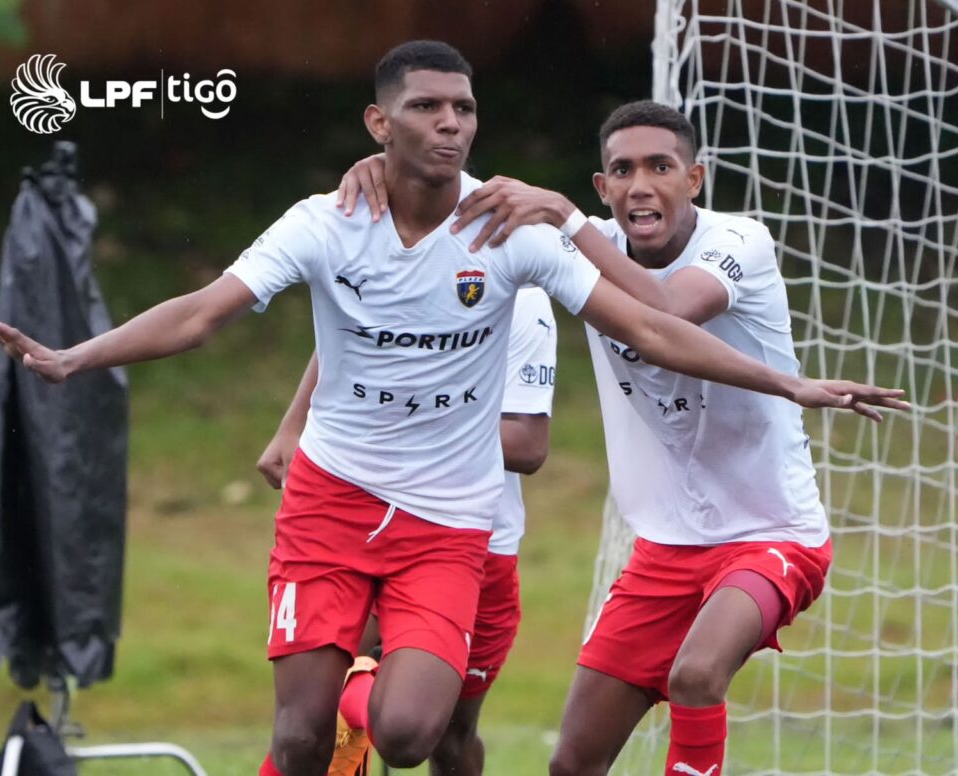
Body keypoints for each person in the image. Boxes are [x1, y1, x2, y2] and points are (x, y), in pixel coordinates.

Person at [0, 39, 906, 776]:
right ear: (380, 123)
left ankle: (362, 688)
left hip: (463, 523)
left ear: (695, 178)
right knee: (302, 740)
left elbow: (654, 324)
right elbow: (213, 313)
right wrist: (77, 356)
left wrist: (792, 383)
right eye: (428, 107)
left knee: (415, 735)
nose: (452, 122)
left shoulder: (529, 238)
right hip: (339, 504)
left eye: (464, 108)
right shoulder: (328, 220)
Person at [338, 98, 905, 776]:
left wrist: (567, 216)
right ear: (603, 186)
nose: (641, 184)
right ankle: (355, 705)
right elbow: (447, 221)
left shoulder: (737, 240)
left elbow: (666, 312)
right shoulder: (579, 246)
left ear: (694, 178)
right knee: (571, 763)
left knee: (697, 675)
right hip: (664, 550)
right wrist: (382, 170)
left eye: (660, 167)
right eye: (623, 170)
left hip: (771, 534)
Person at [257, 285, 557, 776]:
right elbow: (348, 331)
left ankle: (357, 698)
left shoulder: (519, 292)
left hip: (469, 542)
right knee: (308, 728)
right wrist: (294, 423)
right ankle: (352, 701)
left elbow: (527, 445)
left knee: (446, 734)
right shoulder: (388, 260)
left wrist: (408, 418)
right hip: (360, 524)